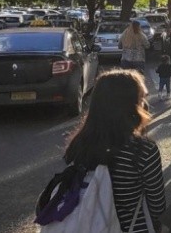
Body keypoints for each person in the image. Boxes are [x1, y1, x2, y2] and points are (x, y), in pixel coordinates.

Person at [63, 70, 165, 233]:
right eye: (141, 98)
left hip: (87, 226)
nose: (145, 104)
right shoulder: (143, 150)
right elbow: (157, 205)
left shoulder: (80, 144)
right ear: (130, 105)